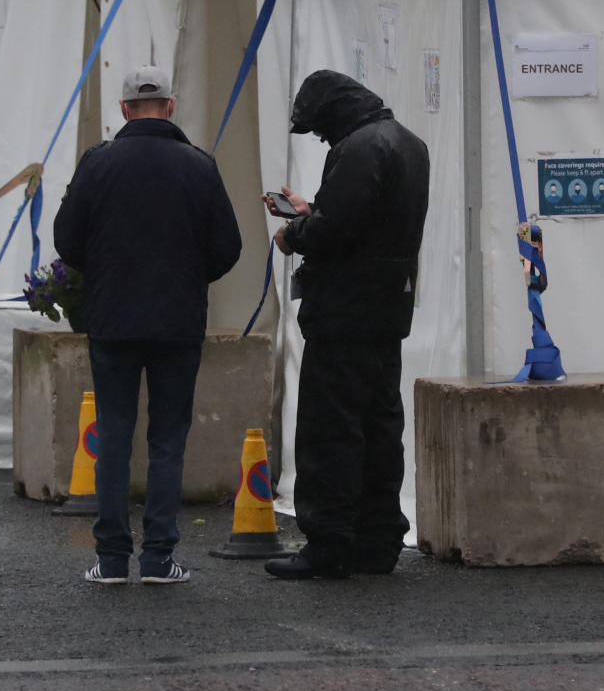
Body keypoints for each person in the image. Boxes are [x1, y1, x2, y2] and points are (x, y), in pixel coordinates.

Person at [53, 65, 242, 585]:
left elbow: (67, 241)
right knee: (167, 440)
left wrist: (109, 272)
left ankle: (111, 560)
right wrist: (186, 277)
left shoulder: (97, 164)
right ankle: (159, 557)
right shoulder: (199, 167)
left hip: (112, 318)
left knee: (112, 437)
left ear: (123, 110)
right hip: (177, 323)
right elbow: (228, 247)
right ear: (171, 106)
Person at [262, 69, 429, 580]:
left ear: (335, 113)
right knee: (381, 427)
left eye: (318, 127)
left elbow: (336, 230)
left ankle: (330, 541)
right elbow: (369, 220)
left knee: (330, 429)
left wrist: (296, 231)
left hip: (342, 312)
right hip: (388, 308)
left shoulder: (358, 148)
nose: (319, 136)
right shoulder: (409, 143)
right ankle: (379, 539)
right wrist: (318, 212)